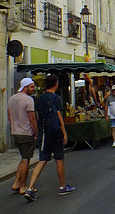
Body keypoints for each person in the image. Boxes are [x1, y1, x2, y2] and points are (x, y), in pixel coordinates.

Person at [23, 74, 76, 202]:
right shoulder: (56, 98)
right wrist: (64, 133)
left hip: (44, 133)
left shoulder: (39, 99)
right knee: (59, 159)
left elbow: (37, 116)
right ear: (56, 84)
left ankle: (30, 188)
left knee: (42, 160)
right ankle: (62, 187)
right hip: (54, 133)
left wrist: (38, 132)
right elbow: (59, 117)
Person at [7, 77, 37, 195]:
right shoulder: (28, 100)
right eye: (32, 87)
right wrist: (36, 133)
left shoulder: (11, 99)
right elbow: (32, 119)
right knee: (26, 159)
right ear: (26, 87)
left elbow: (10, 117)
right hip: (26, 132)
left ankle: (16, 182)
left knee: (23, 157)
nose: (34, 89)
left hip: (15, 132)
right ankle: (23, 186)